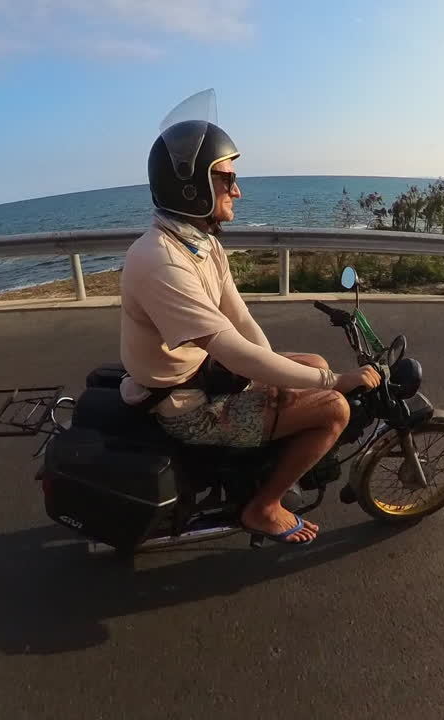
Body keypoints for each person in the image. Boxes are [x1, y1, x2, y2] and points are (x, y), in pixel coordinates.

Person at [119, 119, 380, 545]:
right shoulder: (160, 262)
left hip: (201, 376)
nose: (236, 191)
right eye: (227, 179)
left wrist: (279, 378)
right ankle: (263, 507)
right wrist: (334, 381)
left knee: (311, 365)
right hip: (187, 409)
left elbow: (241, 322)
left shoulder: (200, 244)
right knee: (335, 409)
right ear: (191, 186)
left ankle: (261, 464)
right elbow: (234, 352)